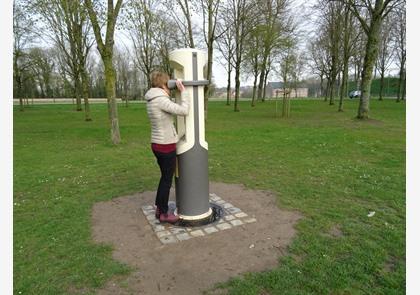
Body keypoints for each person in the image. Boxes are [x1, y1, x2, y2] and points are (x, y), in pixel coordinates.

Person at [145, 71, 189, 224]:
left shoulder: (152, 98)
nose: (170, 87)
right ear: (163, 84)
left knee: (164, 178)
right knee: (166, 180)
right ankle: (163, 214)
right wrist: (183, 92)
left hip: (157, 144)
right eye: (168, 84)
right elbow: (184, 111)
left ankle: (159, 208)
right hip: (165, 145)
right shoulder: (160, 100)